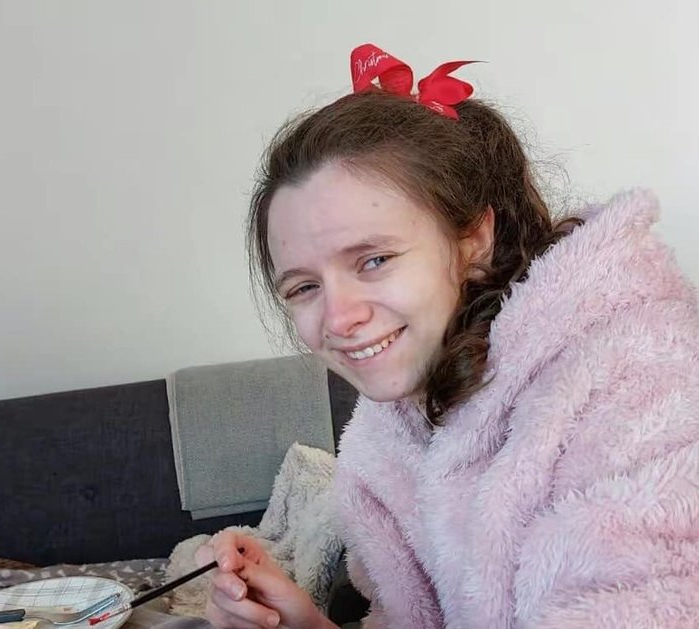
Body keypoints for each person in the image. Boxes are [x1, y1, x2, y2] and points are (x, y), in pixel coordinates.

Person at [194, 44, 699, 628]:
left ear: (474, 240)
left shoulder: (648, 386)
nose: (337, 319)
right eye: (303, 287)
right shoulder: (393, 433)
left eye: (374, 259)